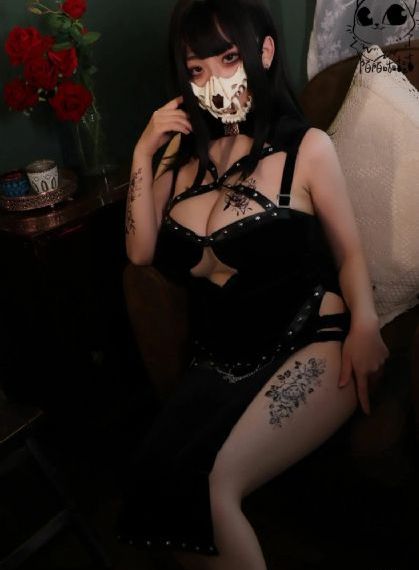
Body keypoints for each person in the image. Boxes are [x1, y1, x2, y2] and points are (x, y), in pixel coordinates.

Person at [116, 0, 389, 568]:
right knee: (152, 481)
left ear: (264, 51)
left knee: (211, 489)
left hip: (311, 339)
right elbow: (139, 250)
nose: (212, 80)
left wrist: (366, 324)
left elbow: (350, 250)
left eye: (227, 58)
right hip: (219, 359)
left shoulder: (307, 148)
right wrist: (144, 151)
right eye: (196, 69)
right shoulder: (181, 166)